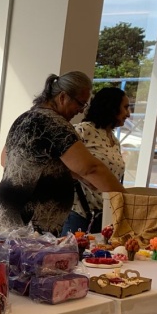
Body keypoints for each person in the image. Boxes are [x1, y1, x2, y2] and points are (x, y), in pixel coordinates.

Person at [0, 71, 125, 234]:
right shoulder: (55, 124)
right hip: (29, 218)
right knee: (27, 259)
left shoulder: (25, 118)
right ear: (63, 97)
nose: (81, 110)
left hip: (7, 207)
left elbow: (5, 159)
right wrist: (127, 200)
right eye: (80, 103)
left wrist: (61, 172)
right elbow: (91, 168)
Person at [61, 87, 130, 234]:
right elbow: (58, 162)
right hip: (79, 213)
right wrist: (81, 176)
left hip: (104, 215)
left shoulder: (113, 139)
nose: (128, 114)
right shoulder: (82, 131)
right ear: (111, 107)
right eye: (125, 107)